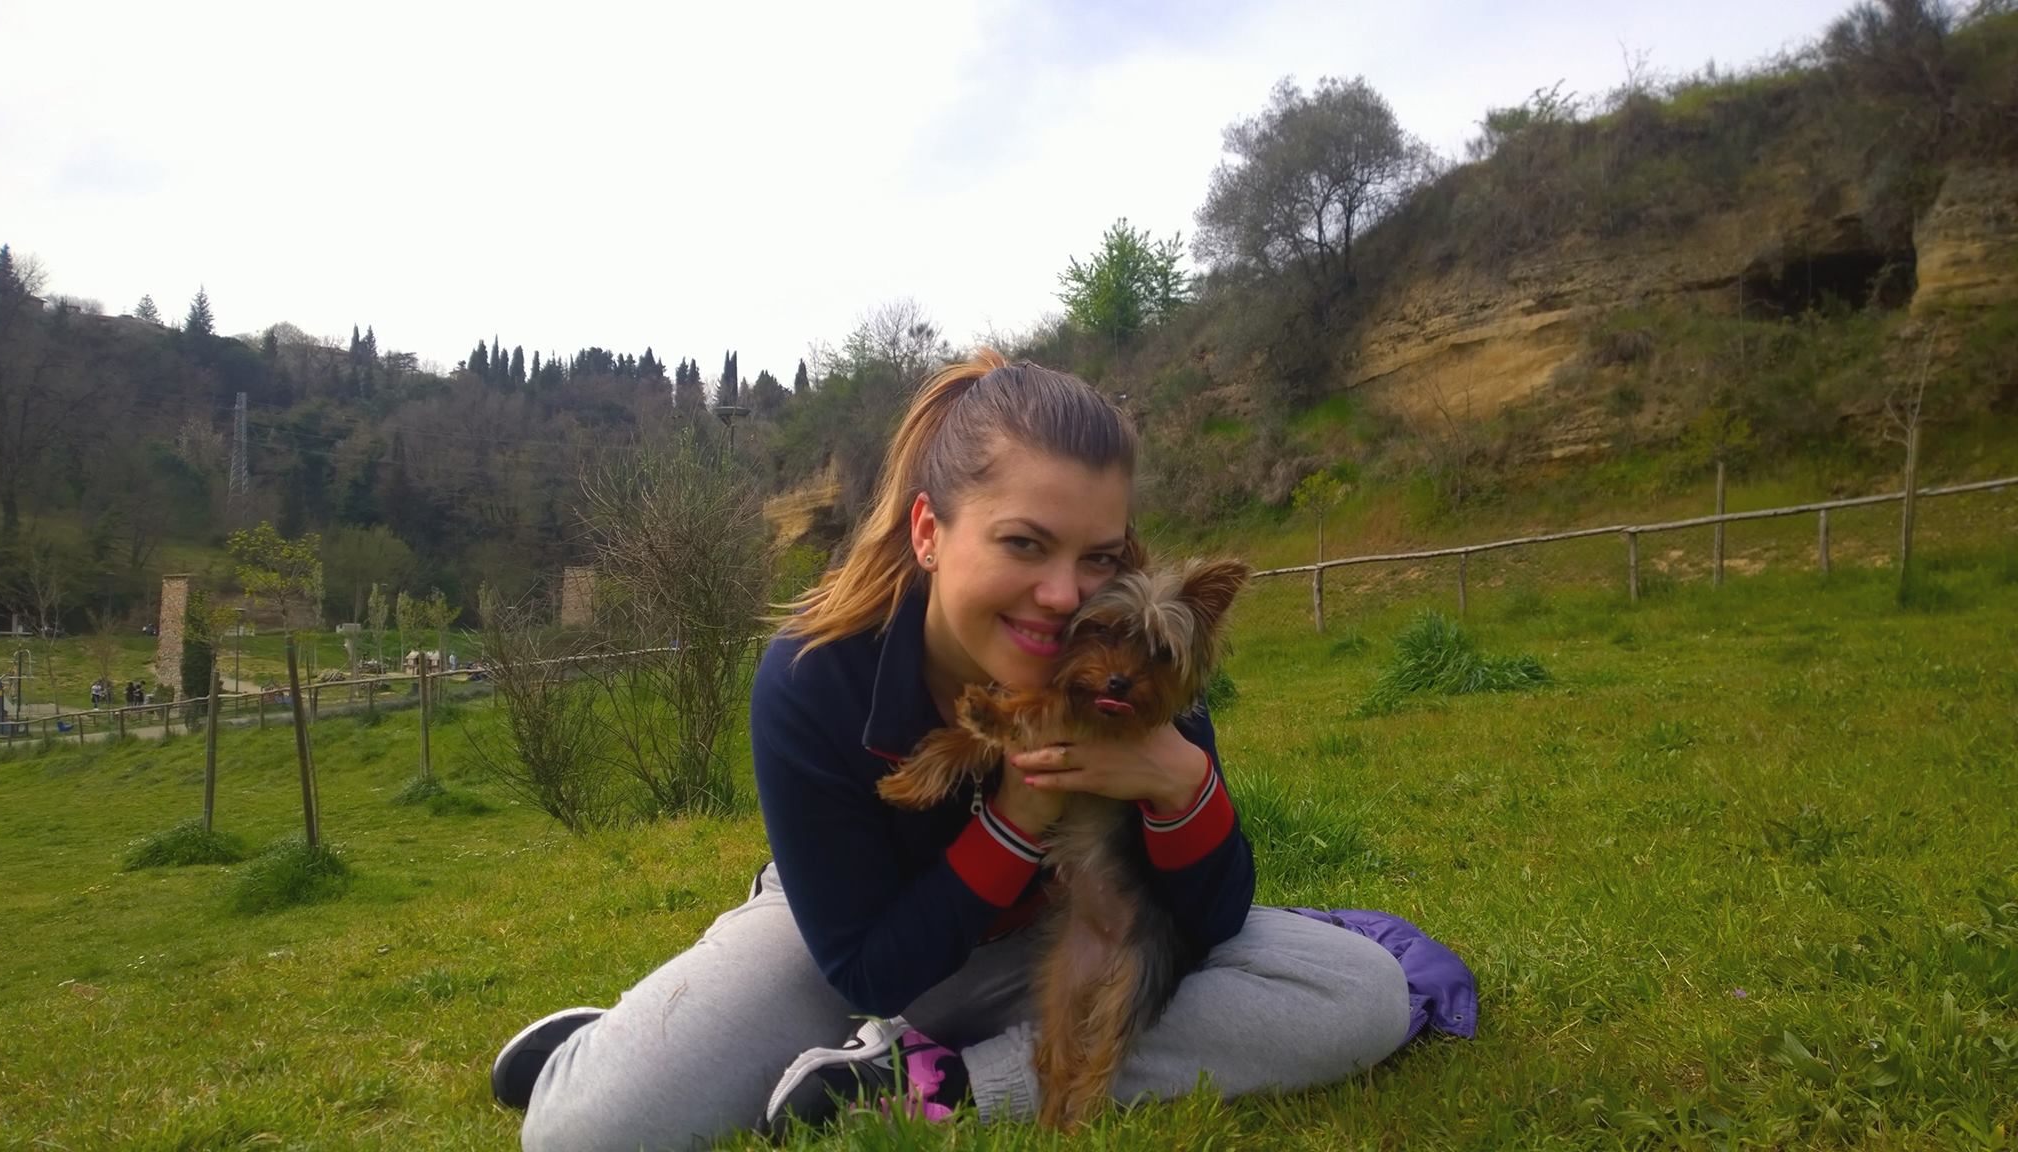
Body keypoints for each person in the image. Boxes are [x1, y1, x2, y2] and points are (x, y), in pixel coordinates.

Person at [498, 351, 1454, 1151]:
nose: (1064, 595)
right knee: (584, 1133)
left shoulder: (1130, 653)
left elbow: (1211, 919)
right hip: (860, 936)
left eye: (1098, 556)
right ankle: (624, 1039)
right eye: (1024, 544)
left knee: (1358, 993)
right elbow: (871, 969)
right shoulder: (814, 677)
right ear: (929, 532)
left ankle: (937, 1084)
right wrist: (1017, 816)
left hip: (1060, 934)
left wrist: (1181, 783)